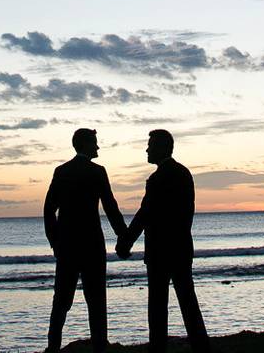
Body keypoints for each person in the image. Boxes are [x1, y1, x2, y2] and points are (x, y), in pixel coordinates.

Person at [116, 129, 210, 353]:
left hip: (160, 250)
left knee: (158, 306)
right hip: (180, 248)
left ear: (162, 147)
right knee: (188, 301)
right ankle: (201, 346)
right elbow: (186, 213)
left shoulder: (158, 179)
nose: (147, 150)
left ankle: (158, 348)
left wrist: (126, 241)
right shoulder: (183, 174)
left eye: (150, 145)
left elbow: (145, 213)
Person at [44, 128, 126, 353]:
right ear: (85, 144)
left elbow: (49, 210)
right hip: (92, 246)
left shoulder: (62, 171)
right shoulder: (97, 172)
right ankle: (99, 347)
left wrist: (56, 242)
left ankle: (52, 348)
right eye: (95, 143)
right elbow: (110, 207)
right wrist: (124, 236)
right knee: (97, 301)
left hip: (68, 246)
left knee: (61, 300)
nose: (98, 147)